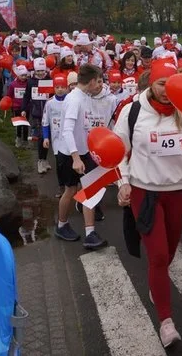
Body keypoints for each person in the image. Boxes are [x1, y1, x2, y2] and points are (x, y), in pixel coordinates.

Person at [114, 58, 182, 348]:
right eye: (162, 84)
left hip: (179, 193)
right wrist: (123, 182)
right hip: (144, 193)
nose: (166, 90)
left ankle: (156, 282)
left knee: (170, 251)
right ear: (151, 83)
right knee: (158, 255)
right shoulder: (133, 111)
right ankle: (166, 321)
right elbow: (118, 151)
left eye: (172, 85)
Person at [56, 64, 108, 249]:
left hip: (85, 152)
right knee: (70, 191)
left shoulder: (86, 97)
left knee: (89, 191)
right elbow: (67, 131)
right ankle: (61, 225)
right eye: (99, 81)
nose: (100, 85)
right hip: (70, 154)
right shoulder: (74, 99)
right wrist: (76, 158)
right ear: (91, 81)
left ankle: (90, 233)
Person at [23, 57, 52, 174]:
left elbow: (53, 94)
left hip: (48, 113)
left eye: (42, 71)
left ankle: (45, 159)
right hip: (37, 114)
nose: (40, 73)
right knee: (41, 137)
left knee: (47, 137)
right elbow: (26, 96)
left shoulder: (49, 80)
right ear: (34, 70)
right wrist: (24, 109)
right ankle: (40, 160)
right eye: (38, 71)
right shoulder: (30, 82)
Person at [42, 75, 69, 197]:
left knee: (70, 163)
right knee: (59, 163)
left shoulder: (71, 101)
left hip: (69, 137)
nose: (60, 89)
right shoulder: (50, 103)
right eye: (57, 87)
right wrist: (46, 137)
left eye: (62, 87)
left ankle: (72, 186)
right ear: (54, 88)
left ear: (67, 87)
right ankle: (61, 186)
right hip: (57, 138)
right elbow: (45, 121)